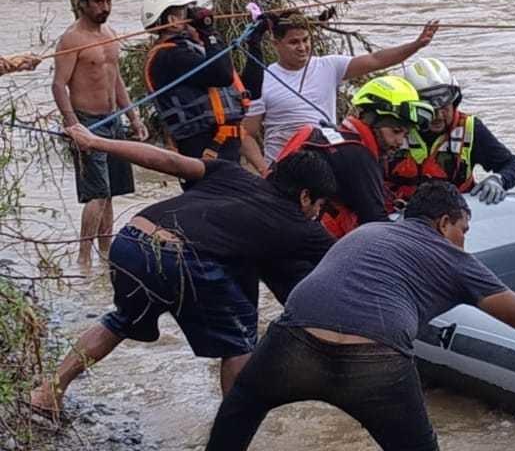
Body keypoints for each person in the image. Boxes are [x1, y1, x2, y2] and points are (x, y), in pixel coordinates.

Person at [204, 181, 515, 451]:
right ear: (443, 223)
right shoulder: (454, 260)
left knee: (241, 407)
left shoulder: (369, 231)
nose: (464, 243)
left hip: (294, 341)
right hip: (374, 358)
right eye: (463, 231)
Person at [29, 122, 336, 419]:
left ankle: (48, 392)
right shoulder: (302, 228)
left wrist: (96, 142)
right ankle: (233, 431)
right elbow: (347, 262)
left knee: (121, 320)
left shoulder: (231, 172)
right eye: (319, 205)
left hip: (132, 240)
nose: (317, 214)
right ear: (305, 196)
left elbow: (168, 161)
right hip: (183, 258)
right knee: (240, 340)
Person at [242, 11, 439, 171]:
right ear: (275, 44)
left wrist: (416, 45)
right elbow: (246, 133)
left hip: (326, 164)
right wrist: (263, 169)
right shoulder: (262, 79)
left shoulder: (329, 66)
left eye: (305, 40)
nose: (302, 47)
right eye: (294, 42)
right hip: (282, 167)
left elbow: (376, 60)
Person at [51, 0, 147, 269]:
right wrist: (72, 124)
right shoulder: (72, 38)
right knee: (98, 192)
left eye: (108, 1)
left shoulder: (110, 34)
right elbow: (58, 84)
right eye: (97, 2)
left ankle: (105, 255)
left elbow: (116, 80)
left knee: (112, 191)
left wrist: (133, 116)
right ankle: (83, 259)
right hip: (87, 121)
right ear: (82, 3)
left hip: (114, 119)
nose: (104, 8)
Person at [277, 75, 434, 239]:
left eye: (405, 135)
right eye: (395, 132)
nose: (399, 142)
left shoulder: (335, 138)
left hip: (280, 222)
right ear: (371, 121)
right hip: (302, 239)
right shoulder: (359, 157)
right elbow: (376, 224)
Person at [141, 0, 266, 175]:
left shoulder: (194, 52)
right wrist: (209, 32)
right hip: (203, 150)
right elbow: (222, 76)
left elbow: (251, 90)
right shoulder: (168, 57)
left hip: (225, 149)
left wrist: (255, 43)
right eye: (187, 13)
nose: (194, 17)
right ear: (173, 21)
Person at [387, 58, 515, 207]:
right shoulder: (393, 130)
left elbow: (511, 164)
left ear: (455, 102)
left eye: (444, 108)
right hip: (400, 216)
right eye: (430, 111)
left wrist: (498, 180)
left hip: (455, 218)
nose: (438, 116)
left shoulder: (470, 129)